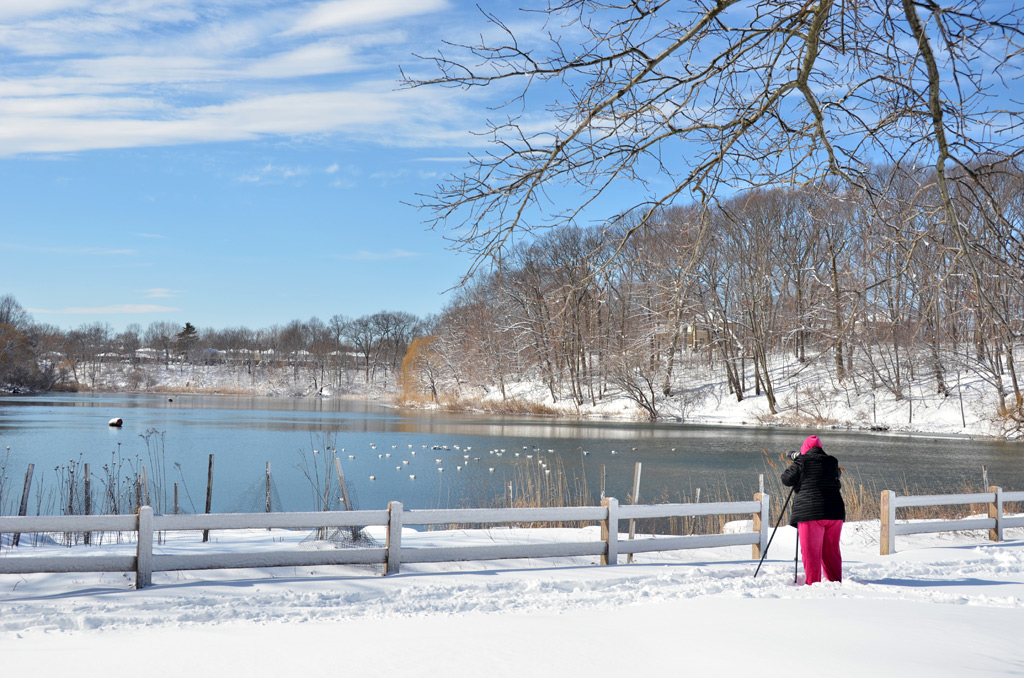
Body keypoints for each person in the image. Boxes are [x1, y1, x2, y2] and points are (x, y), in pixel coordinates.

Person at [781, 434, 846, 584]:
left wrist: (798, 459)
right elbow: (836, 478)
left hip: (810, 513)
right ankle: (835, 583)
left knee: (810, 552)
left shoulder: (802, 461)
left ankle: (813, 584)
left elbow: (786, 479)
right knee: (831, 550)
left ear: (804, 449)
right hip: (835, 512)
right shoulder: (832, 461)